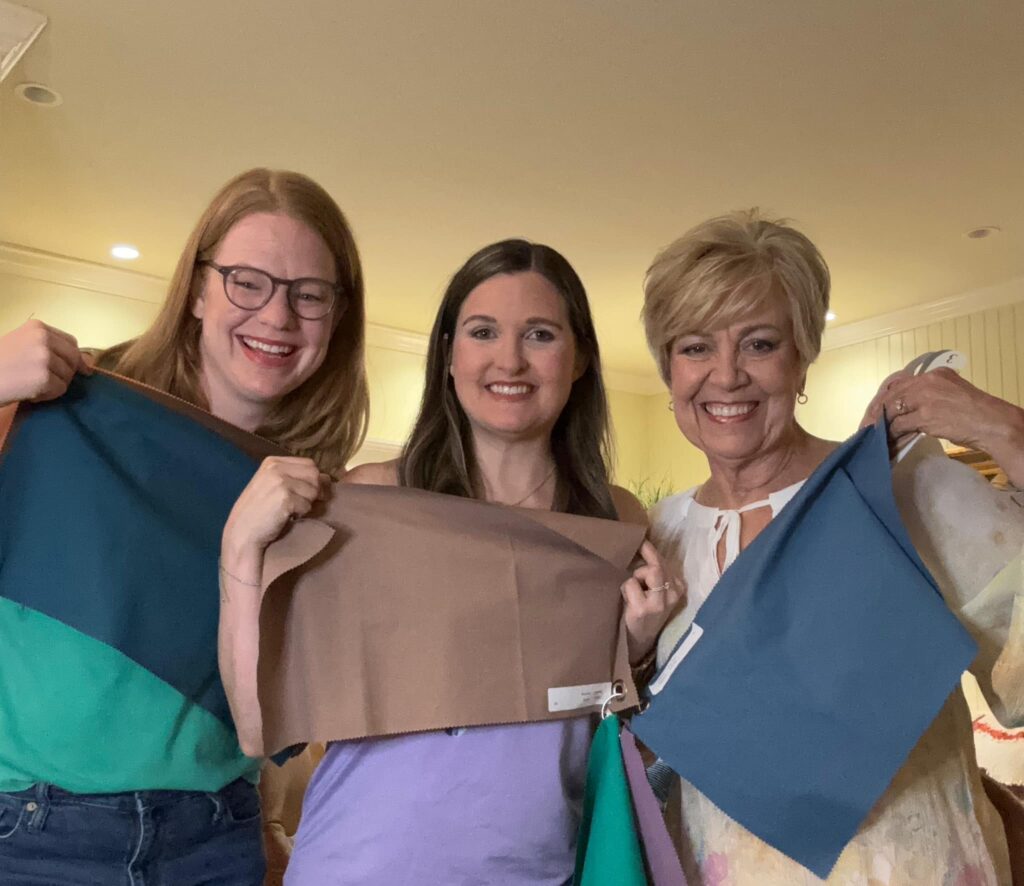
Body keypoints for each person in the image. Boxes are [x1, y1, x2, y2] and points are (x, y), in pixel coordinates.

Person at [219, 238, 680, 885]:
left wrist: (632, 645)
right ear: (448, 356)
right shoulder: (372, 498)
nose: (509, 359)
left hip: (535, 869)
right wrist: (240, 550)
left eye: (540, 334)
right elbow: (260, 719)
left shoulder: (617, 519)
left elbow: (615, 730)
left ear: (579, 359)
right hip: (362, 865)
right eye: (482, 331)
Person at [0, 168, 368, 885]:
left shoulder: (323, 503)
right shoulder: (61, 405)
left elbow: (280, 718)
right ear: (198, 290)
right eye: (247, 281)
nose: (278, 317)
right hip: (36, 834)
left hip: (213, 839)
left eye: (309, 295)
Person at [641, 210, 1023, 884]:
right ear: (668, 369)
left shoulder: (906, 492)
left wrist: (1009, 434)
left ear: (801, 356)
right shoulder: (655, 538)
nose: (726, 376)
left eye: (759, 344)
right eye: (695, 347)